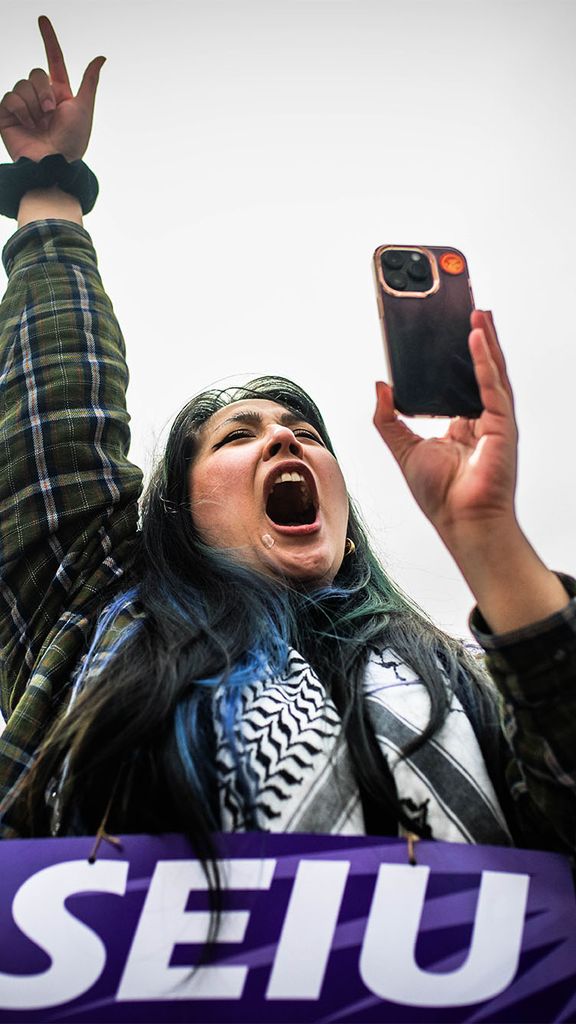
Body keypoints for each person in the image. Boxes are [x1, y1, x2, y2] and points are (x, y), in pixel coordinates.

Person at [0, 17, 575, 867]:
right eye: (241, 434)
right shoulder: (96, 603)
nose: (284, 443)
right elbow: (55, 395)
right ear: (175, 511)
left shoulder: (465, 687)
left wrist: (488, 536)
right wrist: (48, 184)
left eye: (305, 433)